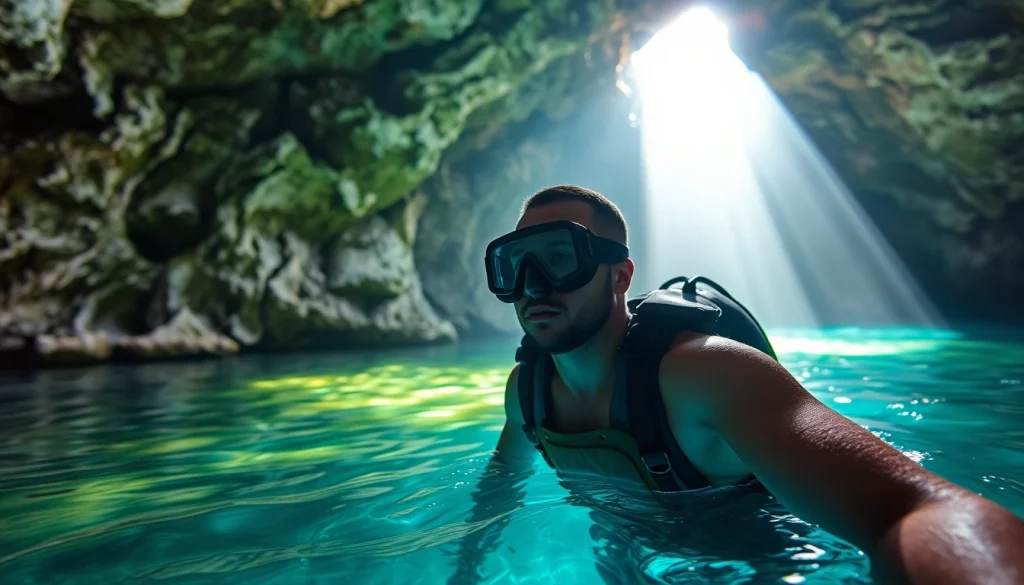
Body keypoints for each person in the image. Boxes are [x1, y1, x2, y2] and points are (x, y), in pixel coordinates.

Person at [447, 184, 1024, 585]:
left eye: (558, 258)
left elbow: (911, 508)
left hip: (762, 559)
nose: (532, 285)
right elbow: (499, 492)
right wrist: (466, 567)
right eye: (512, 265)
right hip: (626, 556)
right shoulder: (525, 393)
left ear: (620, 276)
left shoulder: (706, 375)